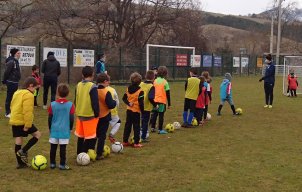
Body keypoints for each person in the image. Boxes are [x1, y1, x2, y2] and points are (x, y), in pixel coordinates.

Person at [9, 77, 41, 169]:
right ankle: (23, 151)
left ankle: (20, 164)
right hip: (22, 120)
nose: (35, 91)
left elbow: (12, 105)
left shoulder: (17, 92)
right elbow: (28, 112)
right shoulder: (29, 95)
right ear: (30, 85)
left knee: (18, 140)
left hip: (14, 119)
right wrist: (27, 126)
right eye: (35, 88)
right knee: (37, 135)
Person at [48, 84, 74, 170]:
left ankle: (52, 163)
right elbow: (71, 118)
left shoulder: (52, 105)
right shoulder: (70, 105)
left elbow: (50, 118)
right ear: (68, 93)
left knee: (53, 147)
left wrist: (50, 128)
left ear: (57, 93)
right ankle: (62, 164)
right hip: (64, 130)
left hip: (54, 129)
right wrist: (70, 128)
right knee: (63, 148)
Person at [74, 66, 99, 155]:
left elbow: (75, 99)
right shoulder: (93, 86)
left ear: (82, 75)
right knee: (90, 136)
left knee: (80, 136)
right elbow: (95, 102)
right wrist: (97, 113)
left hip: (80, 114)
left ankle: (79, 153)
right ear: (92, 75)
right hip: (89, 115)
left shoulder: (78, 85)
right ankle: (85, 154)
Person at [95, 73, 116, 160]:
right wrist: (114, 101)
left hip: (95, 116)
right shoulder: (106, 92)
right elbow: (111, 105)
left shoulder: (94, 90)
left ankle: (90, 150)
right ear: (105, 81)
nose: (109, 83)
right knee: (102, 136)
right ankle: (99, 153)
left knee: (94, 135)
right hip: (104, 116)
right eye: (108, 81)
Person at [122, 72, 144, 148]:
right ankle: (136, 143)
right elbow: (141, 103)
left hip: (129, 110)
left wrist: (128, 103)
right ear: (140, 82)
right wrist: (143, 112)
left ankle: (125, 141)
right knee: (136, 126)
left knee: (127, 125)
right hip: (136, 112)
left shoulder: (128, 88)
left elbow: (124, 98)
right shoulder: (140, 91)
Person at [150, 66, 171, 134]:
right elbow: (168, 94)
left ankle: (153, 127)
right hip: (162, 101)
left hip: (155, 101)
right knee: (161, 115)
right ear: (165, 74)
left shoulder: (154, 81)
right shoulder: (165, 82)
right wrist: (169, 104)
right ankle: (160, 129)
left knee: (155, 114)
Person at [2, 48, 21, 118]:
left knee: (14, 97)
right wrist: (4, 80)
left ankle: (13, 111)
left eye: (19, 53)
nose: (20, 55)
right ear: (14, 54)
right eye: (18, 53)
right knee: (9, 97)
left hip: (15, 82)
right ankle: (7, 113)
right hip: (11, 82)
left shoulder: (16, 61)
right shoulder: (11, 61)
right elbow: (7, 72)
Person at [140, 70, 155, 142]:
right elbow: (151, 97)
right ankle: (143, 137)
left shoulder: (141, 84)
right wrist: (155, 105)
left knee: (142, 120)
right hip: (146, 107)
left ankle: (140, 133)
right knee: (145, 122)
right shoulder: (151, 86)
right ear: (153, 78)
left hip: (140, 105)